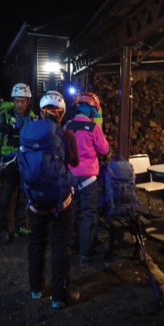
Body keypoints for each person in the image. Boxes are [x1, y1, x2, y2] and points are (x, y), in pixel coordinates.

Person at [24, 91, 80, 309]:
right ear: (62, 114)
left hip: (36, 200)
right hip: (60, 200)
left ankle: (36, 290)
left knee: (36, 243)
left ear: (41, 112)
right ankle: (59, 296)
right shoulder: (67, 136)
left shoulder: (27, 133)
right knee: (60, 245)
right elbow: (73, 162)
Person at [64, 92, 109, 262]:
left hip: (70, 178)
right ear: (92, 109)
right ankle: (85, 250)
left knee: (72, 213)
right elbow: (104, 149)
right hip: (89, 180)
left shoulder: (67, 126)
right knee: (89, 214)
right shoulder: (93, 127)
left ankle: (71, 246)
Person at [0, 83, 36, 243]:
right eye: (16, 101)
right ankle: (2, 229)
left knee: (24, 196)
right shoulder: (6, 116)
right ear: (13, 101)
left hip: (25, 163)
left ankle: (20, 226)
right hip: (9, 163)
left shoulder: (33, 118)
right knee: (7, 196)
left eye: (23, 101)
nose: (19, 104)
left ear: (28, 101)